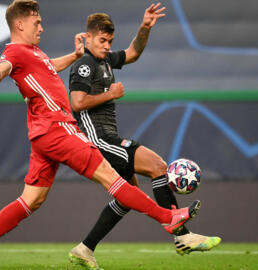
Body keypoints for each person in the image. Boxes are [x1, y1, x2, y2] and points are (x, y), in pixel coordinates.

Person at [0, 1, 201, 269]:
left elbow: (48, 66)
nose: (42, 27)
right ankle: (167, 218)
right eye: (36, 22)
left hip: (41, 135)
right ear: (19, 24)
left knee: (32, 199)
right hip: (57, 127)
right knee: (112, 177)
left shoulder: (33, 53)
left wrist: (73, 55)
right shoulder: (14, 53)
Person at [67, 3, 221, 269]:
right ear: (88, 37)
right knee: (158, 166)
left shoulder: (105, 60)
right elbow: (77, 103)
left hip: (108, 136)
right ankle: (183, 236)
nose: (106, 46)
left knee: (128, 196)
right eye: (102, 40)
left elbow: (134, 52)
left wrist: (144, 28)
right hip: (97, 139)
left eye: (109, 41)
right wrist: (110, 94)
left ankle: (85, 248)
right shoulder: (84, 64)